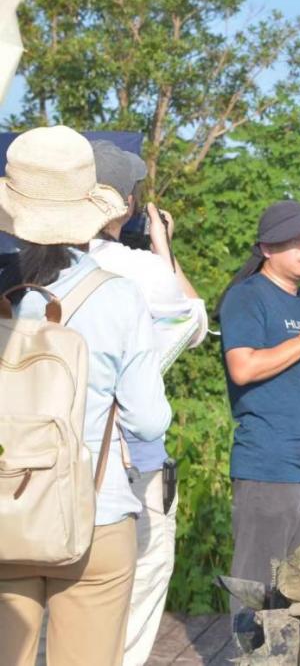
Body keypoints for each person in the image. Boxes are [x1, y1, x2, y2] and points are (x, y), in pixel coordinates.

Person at [0, 126, 171, 666]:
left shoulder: (5, 294)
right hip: (95, 513)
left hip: (5, 508)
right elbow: (147, 421)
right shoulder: (118, 295)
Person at [87, 140, 208, 666]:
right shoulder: (140, 270)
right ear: (129, 205)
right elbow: (194, 324)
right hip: (127, 466)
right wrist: (163, 249)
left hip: (40, 465)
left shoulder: (26, 265)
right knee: (136, 593)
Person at [215, 200, 300, 607]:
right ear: (267, 248)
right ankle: (248, 644)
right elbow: (242, 368)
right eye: (298, 240)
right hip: (269, 464)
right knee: (257, 589)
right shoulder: (246, 297)